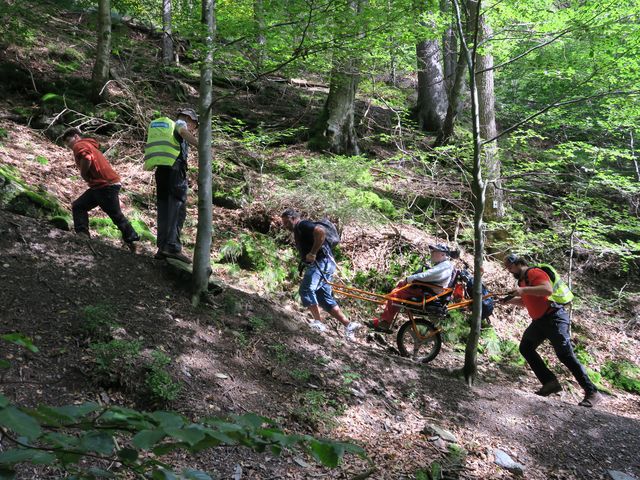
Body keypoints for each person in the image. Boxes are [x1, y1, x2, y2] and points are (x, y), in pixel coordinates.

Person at [502, 254, 601, 407]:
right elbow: (526, 301)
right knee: (526, 348)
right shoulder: (522, 281)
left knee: (565, 355)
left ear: (518, 263)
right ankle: (550, 383)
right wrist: (508, 301)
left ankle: (592, 392)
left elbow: (547, 290)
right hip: (540, 321)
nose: (508, 270)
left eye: (509, 267)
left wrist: (523, 290)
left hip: (554, 317)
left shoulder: (534, 272)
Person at [280, 208, 361, 341]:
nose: (285, 225)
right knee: (322, 298)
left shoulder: (302, 225)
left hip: (321, 262)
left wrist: (313, 252)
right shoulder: (299, 229)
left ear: (294, 218)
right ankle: (348, 325)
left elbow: (320, 231)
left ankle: (318, 322)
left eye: (287, 222)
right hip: (324, 264)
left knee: (306, 289)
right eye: (284, 223)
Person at [62, 128, 140, 250]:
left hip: (105, 185)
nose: (68, 145)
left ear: (76, 136)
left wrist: (83, 173)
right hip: (101, 185)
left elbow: (87, 157)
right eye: (66, 143)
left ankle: (132, 238)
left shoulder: (80, 144)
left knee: (115, 214)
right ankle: (83, 235)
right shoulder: (89, 144)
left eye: (68, 140)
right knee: (79, 206)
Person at [143, 108, 199, 264]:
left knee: (164, 208)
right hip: (175, 171)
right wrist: (202, 146)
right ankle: (172, 247)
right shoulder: (180, 123)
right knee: (177, 208)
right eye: (195, 125)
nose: (194, 129)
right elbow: (183, 131)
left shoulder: (163, 129)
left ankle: (162, 247)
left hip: (161, 170)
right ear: (190, 119)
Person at [369, 244, 454, 332]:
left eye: (434, 251)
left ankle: (385, 322)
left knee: (395, 294)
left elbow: (426, 275)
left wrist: (408, 279)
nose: (431, 253)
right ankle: (384, 319)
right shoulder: (444, 265)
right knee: (397, 290)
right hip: (426, 290)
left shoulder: (444, 267)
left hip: (428, 293)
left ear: (443, 254)